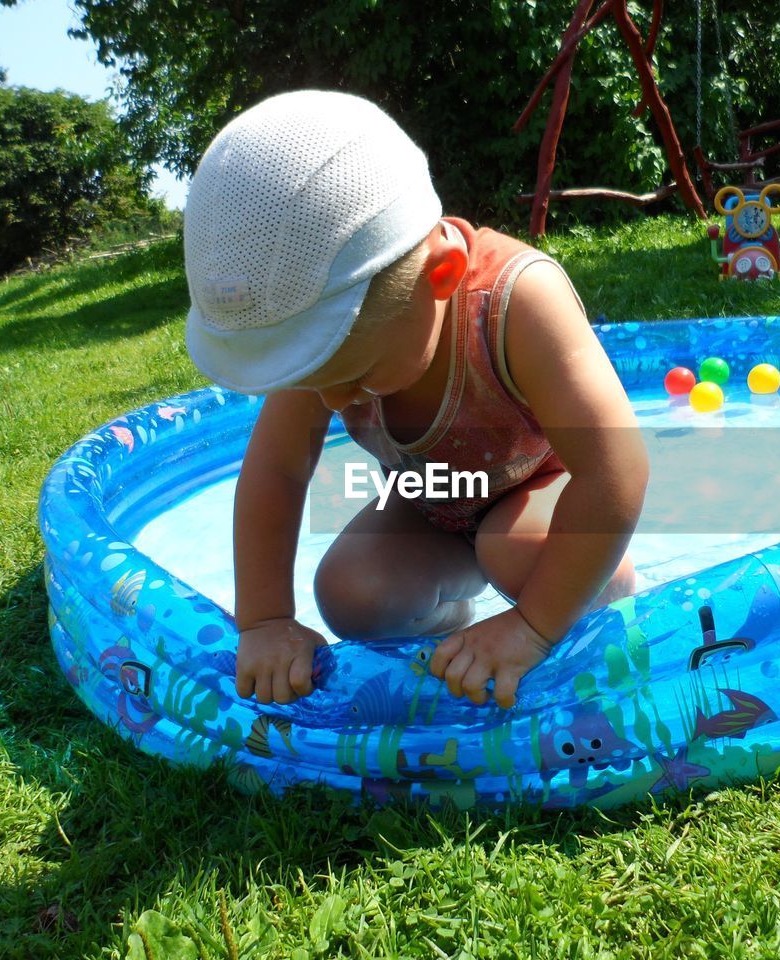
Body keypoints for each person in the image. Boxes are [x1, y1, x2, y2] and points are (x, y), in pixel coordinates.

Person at [184, 91, 647, 711]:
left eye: (357, 376)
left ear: (443, 276)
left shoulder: (513, 305)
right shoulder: (336, 343)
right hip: (431, 503)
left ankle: (589, 597)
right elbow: (276, 469)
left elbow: (616, 467)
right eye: (314, 377)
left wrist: (530, 629)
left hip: (535, 494)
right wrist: (264, 619)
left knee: (514, 549)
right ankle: (459, 626)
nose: (330, 398)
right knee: (351, 593)